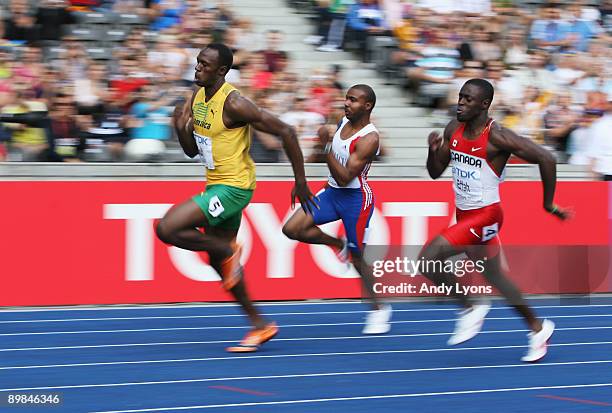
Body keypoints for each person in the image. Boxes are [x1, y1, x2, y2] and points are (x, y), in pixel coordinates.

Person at [156, 43, 317, 353]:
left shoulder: (236, 103)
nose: (197, 68)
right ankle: (261, 325)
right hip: (216, 185)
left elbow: (287, 131)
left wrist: (300, 181)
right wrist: (180, 126)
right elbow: (192, 150)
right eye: (197, 62)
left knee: (168, 228)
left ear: (222, 71)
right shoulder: (199, 96)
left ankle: (226, 248)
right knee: (219, 264)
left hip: (234, 188)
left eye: (204, 64)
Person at [423, 78, 571, 362]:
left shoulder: (498, 136)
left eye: (468, 99)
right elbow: (434, 172)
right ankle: (538, 328)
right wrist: (433, 150)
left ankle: (470, 308)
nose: (461, 103)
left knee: (428, 259)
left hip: (487, 214)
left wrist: (548, 203)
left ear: (484, 104)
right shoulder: (453, 129)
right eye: (460, 97)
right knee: (495, 277)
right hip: (464, 214)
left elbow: (546, 158)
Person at [283, 84, 392, 335]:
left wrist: (326, 146)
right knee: (292, 228)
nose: (346, 103)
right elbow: (333, 170)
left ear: (367, 106)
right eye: (346, 98)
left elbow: (345, 176)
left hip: (356, 199)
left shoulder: (370, 138)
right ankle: (336, 243)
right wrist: (304, 183)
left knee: (357, 257)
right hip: (332, 193)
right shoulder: (343, 121)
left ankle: (378, 309)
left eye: (353, 100)